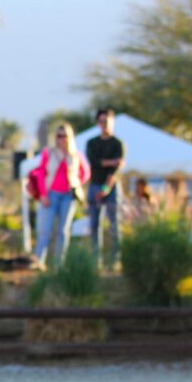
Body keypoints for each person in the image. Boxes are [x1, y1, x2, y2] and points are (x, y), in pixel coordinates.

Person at [29, 122, 90, 267]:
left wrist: (76, 182)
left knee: (63, 230)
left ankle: (59, 264)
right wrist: (43, 194)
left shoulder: (75, 155)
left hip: (68, 196)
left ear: (70, 137)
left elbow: (86, 173)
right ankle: (38, 261)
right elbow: (40, 173)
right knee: (45, 230)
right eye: (59, 136)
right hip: (51, 194)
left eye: (65, 135)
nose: (62, 138)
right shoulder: (48, 153)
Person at [85, 108, 126, 269]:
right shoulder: (92, 143)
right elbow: (94, 162)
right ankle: (96, 261)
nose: (104, 124)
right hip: (94, 185)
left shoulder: (117, 144)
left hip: (111, 187)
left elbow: (116, 169)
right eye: (101, 121)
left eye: (107, 121)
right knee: (94, 225)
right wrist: (111, 162)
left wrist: (106, 187)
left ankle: (115, 260)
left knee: (114, 224)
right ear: (97, 123)